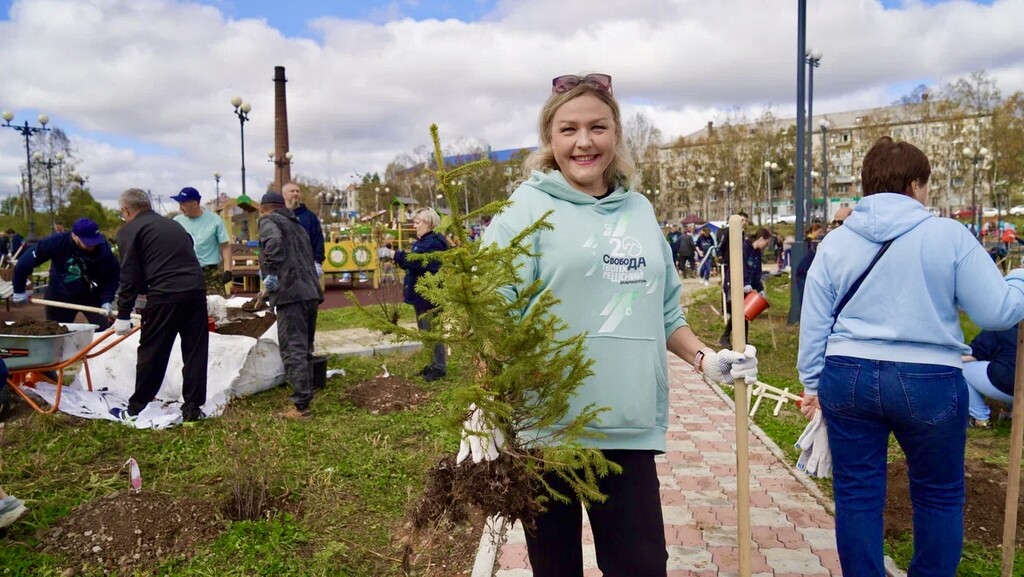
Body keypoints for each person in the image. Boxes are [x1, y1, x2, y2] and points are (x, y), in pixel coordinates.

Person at [478, 72, 758, 576]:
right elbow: (491, 314)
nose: (584, 142)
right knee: (556, 569)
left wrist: (706, 358)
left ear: (616, 135)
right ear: (550, 139)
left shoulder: (640, 209)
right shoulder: (523, 212)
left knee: (641, 566)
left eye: (597, 127)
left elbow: (665, 311)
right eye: (568, 129)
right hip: (548, 430)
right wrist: (487, 399)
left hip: (629, 427)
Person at [797, 136, 1024, 577]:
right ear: (917, 185)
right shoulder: (947, 235)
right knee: (938, 494)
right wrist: (1018, 279)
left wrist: (812, 383)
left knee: (858, 495)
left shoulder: (835, 244)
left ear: (865, 185)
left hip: (848, 376)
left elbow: (814, 324)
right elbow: (996, 312)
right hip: (930, 378)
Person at [112, 188, 208, 423]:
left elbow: (129, 274)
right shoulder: (174, 225)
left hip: (165, 295)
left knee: (152, 352)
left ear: (126, 210)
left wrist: (123, 313)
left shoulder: (129, 231)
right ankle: (193, 408)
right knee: (195, 352)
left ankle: (134, 410)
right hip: (196, 292)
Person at [258, 191, 324, 420]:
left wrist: (272, 275)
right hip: (311, 292)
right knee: (305, 347)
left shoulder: (269, 220)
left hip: (290, 294)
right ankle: (305, 392)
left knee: (292, 348)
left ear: (263, 208)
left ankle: (300, 406)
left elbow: (274, 243)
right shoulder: (298, 225)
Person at [10, 218, 119, 329]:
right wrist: (19, 290)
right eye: (87, 242)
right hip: (60, 295)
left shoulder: (103, 249)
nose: (92, 246)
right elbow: (24, 263)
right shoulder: (57, 242)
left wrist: (107, 299)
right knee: (56, 332)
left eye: (94, 241)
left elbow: (112, 276)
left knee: (104, 331)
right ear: (74, 236)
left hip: (91, 294)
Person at [394, 207, 449, 382]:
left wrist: (396, 255)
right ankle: (431, 363)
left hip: (430, 296)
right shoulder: (423, 241)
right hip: (420, 296)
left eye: (418, 223)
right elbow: (414, 263)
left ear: (429, 223)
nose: (415, 226)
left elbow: (419, 262)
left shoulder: (434, 242)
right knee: (425, 331)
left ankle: (439, 367)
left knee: (433, 331)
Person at [171, 186, 232, 296]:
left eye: (183, 205)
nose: (180, 208)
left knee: (216, 306)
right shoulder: (177, 221)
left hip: (210, 272)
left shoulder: (214, 220)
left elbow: (225, 246)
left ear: (194, 204)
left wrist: (228, 269)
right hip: (186, 272)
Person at [718, 228, 771, 348]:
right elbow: (741, 266)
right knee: (738, 312)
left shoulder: (757, 253)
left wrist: (760, 287)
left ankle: (743, 341)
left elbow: (757, 271)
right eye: (766, 243)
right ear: (761, 239)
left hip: (747, 287)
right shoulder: (744, 247)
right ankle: (725, 337)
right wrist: (746, 282)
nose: (766, 246)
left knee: (745, 312)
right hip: (734, 283)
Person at [962, 325, 1018, 429]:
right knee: (1008, 362)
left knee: (961, 369)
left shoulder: (1000, 325)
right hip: (1017, 388)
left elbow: (975, 354)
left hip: (1010, 388)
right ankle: (1010, 412)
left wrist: (948, 358)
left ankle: (980, 418)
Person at [282, 182, 326, 279]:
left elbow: (318, 239)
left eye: (297, 191)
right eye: (292, 191)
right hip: (284, 267)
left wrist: (318, 262)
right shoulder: (279, 216)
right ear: (284, 195)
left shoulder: (310, 217)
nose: (296, 193)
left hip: (307, 266)